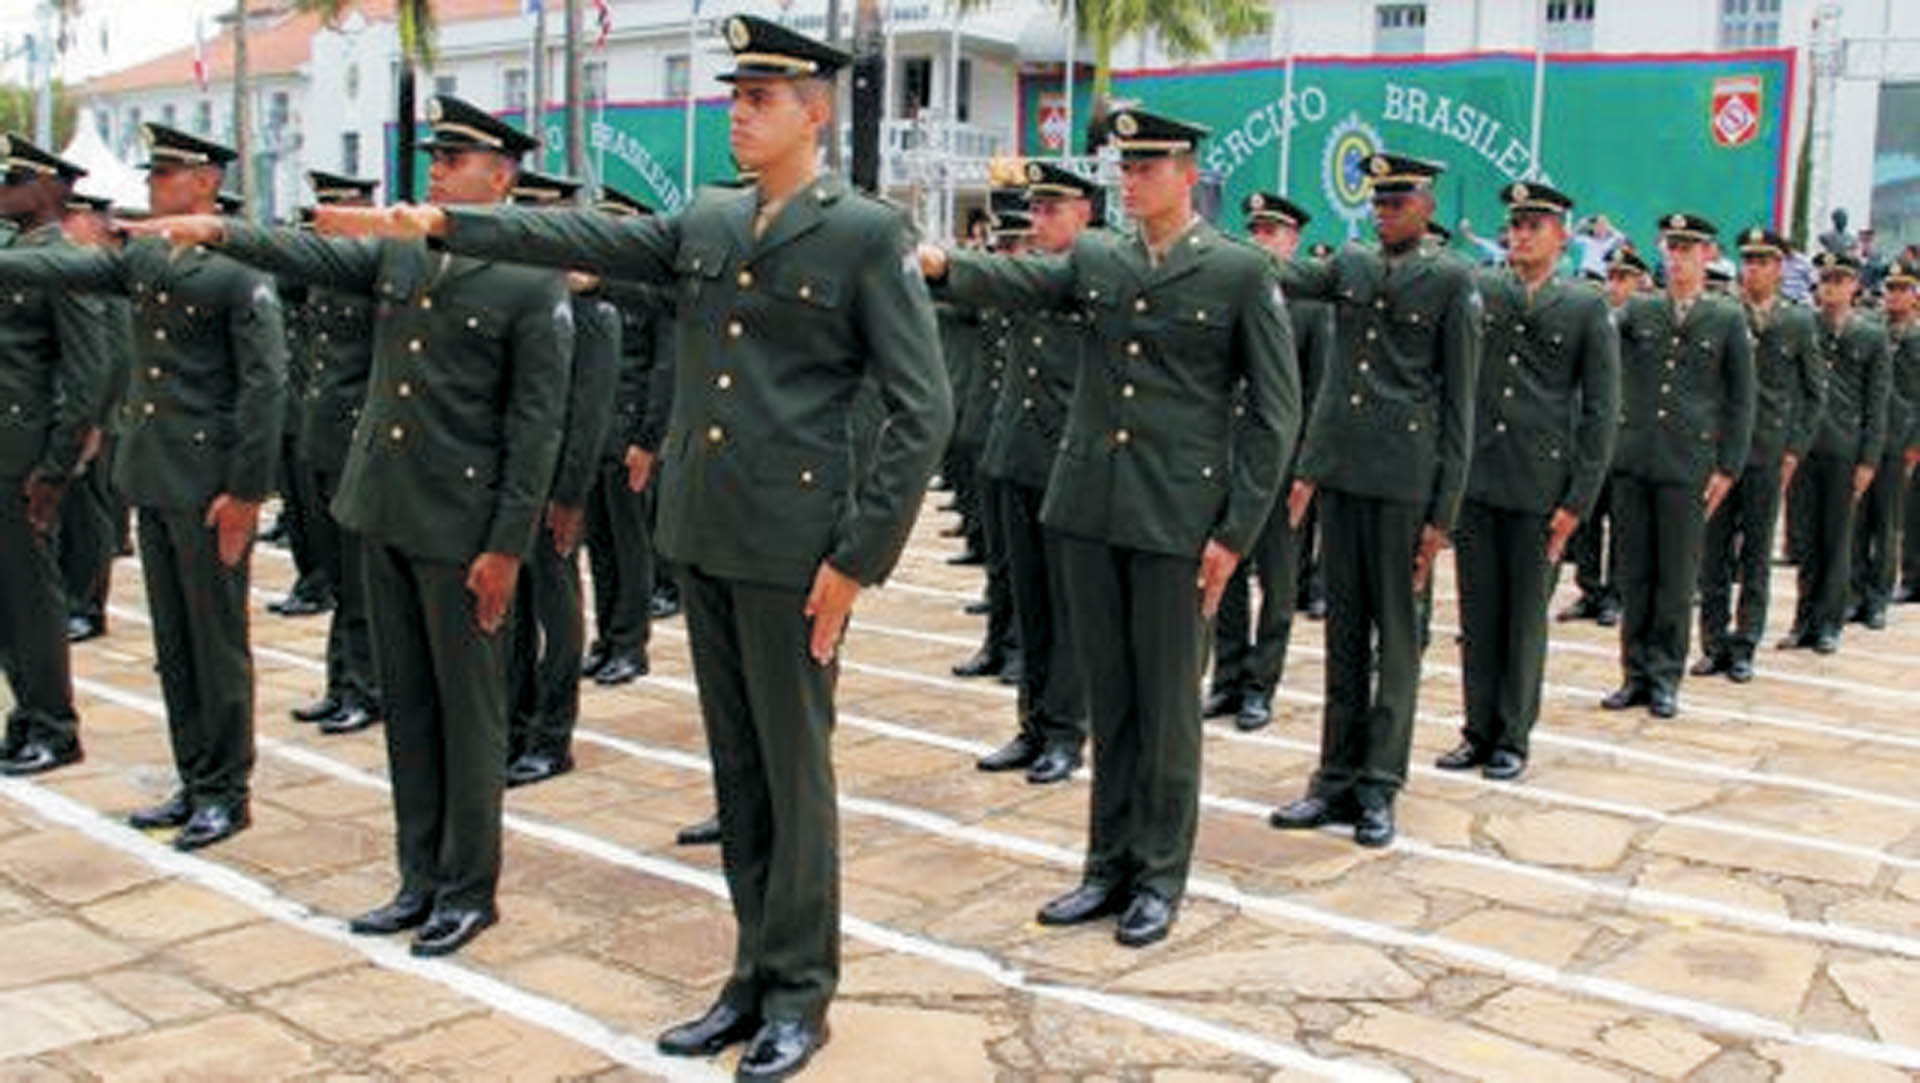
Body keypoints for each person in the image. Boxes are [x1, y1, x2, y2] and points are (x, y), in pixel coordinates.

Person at [321, 21, 951, 1073]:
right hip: (703, 535)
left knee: (795, 780)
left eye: (763, 94)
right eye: (736, 93)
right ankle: (750, 975)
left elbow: (920, 410)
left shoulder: (863, 234)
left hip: (795, 554)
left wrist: (856, 558)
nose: (740, 109)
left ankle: (800, 990)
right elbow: (578, 241)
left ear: (818, 111)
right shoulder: (708, 218)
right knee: (740, 773)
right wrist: (443, 219)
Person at [131, 95, 573, 952]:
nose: (436, 168)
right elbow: (310, 254)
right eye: (435, 156)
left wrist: (506, 545)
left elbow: (536, 424)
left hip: (464, 527)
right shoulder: (406, 254)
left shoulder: (529, 274)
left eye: (454, 158)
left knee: (467, 714)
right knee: (408, 704)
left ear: (503, 175)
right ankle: (419, 875)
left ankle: (468, 886)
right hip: (388, 510)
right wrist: (221, 234)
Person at [925, 105, 1298, 944]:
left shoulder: (1237, 272)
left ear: (1187, 170)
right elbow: (1022, 281)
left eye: (1146, 166)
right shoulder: (1098, 257)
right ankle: (1106, 866)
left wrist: (1235, 532)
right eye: (1124, 168)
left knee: (1167, 710)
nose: (1130, 180)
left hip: (1176, 521)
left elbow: (1275, 415)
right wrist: (943, 263)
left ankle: (1159, 874)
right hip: (1091, 508)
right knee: (1112, 700)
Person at [0, 124, 288, 848]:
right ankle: (194, 776)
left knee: (216, 642)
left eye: (166, 174)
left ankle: (227, 787)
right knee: (176, 642)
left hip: (208, 484)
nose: (154, 185)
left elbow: (264, 386)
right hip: (156, 476)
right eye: (153, 173)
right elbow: (65, 272)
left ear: (205, 184)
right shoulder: (148, 258)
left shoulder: (239, 266)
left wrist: (247, 491)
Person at [1268, 152, 1480, 849]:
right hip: (1349, 476)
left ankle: (1380, 783)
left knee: (1397, 640)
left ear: (1426, 204)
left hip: (1404, 483)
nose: (1385, 211)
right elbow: (1293, 278)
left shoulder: (1451, 280)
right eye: (1379, 201)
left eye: (1398, 201)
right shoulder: (1353, 264)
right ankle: (1333, 776)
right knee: (1342, 634)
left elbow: (1460, 407)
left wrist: (1442, 515)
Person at [1434, 181, 1616, 782]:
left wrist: (1578, 501)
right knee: (1477, 614)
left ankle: (1512, 734)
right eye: (1514, 224)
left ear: (1562, 236)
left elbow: (1599, 410)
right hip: (1482, 479)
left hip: (1542, 486)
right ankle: (1476, 729)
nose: (1521, 235)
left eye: (1534, 225)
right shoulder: (1484, 291)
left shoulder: (1586, 306)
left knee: (1523, 620)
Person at [971, 161, 1097, 783]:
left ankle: (1066, 733)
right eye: (1037, 209)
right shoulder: (1031, 274)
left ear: (1085, 215)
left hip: (1068, 468)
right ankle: (1034, 723)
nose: (1040, 220)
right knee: (1030, 602)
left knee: (1069, 609)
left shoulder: (1099, 277)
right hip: (1018, 456)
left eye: (1053, 209)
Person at [1602, 214, 1755, 717]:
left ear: (1707, 255)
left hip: (1688, 464)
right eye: (1671, 248)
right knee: (1636, 573)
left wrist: (1727, 466)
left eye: (1689, 249)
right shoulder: (1641, 310)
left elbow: (1740, 399)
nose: (1678, 258)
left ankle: (1665, 675)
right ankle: (1634, 674)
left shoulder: (1727, 318)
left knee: (1675, 576)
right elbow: (1604, 354)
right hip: (1635, 459)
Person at [0, 134, 114, 777]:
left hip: (27, 458)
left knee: (32, 598)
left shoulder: (66, 262)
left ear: (50, 192)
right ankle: (27, 715)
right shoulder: (18, 253)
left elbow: (89, 372)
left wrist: (57, 466)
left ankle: (54, 724)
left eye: (16, 180)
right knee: (8, 602)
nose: (4, 190)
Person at [502, 171, 620, 788]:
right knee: (513, 614)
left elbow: (588, 412)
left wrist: (570, 494)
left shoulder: (591, 313)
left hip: (555, 491)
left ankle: (553, 735)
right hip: (512, 487)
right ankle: (515, 725)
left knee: (556, 609)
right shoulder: (521, 301)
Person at [1206, 191, 1333, 732]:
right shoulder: (1230, 293)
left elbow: (1320, 393)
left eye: (1271, 232)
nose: (1261, 240)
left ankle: (1262, 684)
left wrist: (1306, 469)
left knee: (1278, 584)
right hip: (1229, 456)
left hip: (1280, 467)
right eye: (1254, 229)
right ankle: (1228, 678)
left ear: (1293, 240)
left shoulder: (1309, 307)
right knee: (1224, 574)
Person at [1692, 228, 1822, 682]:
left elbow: (1813, 393)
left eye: (1763, 261)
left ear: (1779, 267)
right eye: (1748, 261)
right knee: (1713, 551)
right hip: (1722, 451)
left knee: (1756, 556)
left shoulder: (1798, 322)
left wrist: (1795, 449)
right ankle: (1713, 642)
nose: (1754, 270)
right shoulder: (1724, 314)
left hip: (1768, 452)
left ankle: (1745, 644)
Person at [286, 169, 384, 736]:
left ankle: (367, 687)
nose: (326, 221)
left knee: (360, 575)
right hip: (322, 438)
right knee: (340, 575)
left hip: (357, 443)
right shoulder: (323, 276)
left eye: (336, 210)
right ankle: (341, 681)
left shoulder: (372, 274)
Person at [1780, 251, 1889, 653]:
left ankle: (1828, 624)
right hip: (1804, 448)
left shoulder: (1870, 336)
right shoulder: (1803, 326)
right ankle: (1803, 621)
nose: (1831, 288)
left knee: (1837, 540)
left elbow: (1877, 404)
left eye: (1840, 280)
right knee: (1804, 540)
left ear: (1855, 286)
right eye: (1826, 280)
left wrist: (1869, 460)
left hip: (1845, 450)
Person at [581, 184, 668, 688]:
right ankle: (607, 638)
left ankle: (631, 646)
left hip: (632, 437)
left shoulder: (652, 291)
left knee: (632, 547)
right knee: (603, 548)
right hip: (599, 434)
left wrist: (649, 440)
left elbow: (665, 368)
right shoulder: (601, 289)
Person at [51, 193, 133, 649]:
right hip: (70, 410)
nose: (65, 226)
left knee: (89, 515)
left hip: (99, 415)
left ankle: (88, 605)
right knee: (68, 512)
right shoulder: (74, 267)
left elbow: (118, 354)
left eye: (72, 218)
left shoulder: (103, 273)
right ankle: (69, 598)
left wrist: (99, 419)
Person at [1561, 247, 1651, 626]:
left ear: (1640, 282)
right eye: (1611, 277)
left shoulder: (1647, 323)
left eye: (1623, 278)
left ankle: (1616, 593)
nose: (1615, 285)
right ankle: (1588, 589)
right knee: (1587, 517)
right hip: (1590, 432)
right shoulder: (1596, 319)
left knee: (1622, 520)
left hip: (1629, 435)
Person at [1849, 256, 1919, 625]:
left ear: (1914, 295)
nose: (1893, 296)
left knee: (1887, 521)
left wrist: (1915, 445)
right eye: (1890, 289)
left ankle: (1878, 598)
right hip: (1863, 437)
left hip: (1898, 438)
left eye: (1902, 289)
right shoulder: (1870, 329)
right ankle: (1854, 592)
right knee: (1857, 521)